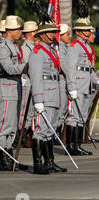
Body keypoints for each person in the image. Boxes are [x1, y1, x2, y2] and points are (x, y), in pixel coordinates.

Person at [28, 21, 66, 174]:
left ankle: (49, 162)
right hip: (44, 95)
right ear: (41, 35)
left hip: (54, 94)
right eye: (49, 32)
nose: (52, 35)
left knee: (50, 130)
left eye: (53, 32)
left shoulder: (51, 50)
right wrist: (38, 99)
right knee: (41, 130)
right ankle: (38, 164)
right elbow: (36, 77)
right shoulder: (37, 52)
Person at [0, 15, 28, 171]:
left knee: (13, 125)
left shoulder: (15, 46)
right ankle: (4, 160)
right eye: (18, 29)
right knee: (4, 125)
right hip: (6, 86)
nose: (20, 32)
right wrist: (28, 67)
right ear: (10, 30)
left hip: (16, 85)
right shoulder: (2, 47)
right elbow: (8, 68)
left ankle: (10, 158)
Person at [64, 17, 97, 156]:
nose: (89, 33)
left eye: (88, 30)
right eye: (85, 30)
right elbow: (69, 68)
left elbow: (90, 69)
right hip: (77, 84)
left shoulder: (88, 47)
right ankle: (71, 145)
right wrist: (72, 87)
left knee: (82, 115)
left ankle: (77, 144)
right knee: (74, 116)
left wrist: (96, 82)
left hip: (87, 85)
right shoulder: (74, 46)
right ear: (79, 31)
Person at [17, 21, 39, 147]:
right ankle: (22, 134)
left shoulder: (34, 47)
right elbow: (28, 66)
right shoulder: (25, 48)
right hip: (27, 82)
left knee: (32, 110)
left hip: (33, 82)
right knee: (25, 109)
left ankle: (28, 134)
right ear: (31, 33)